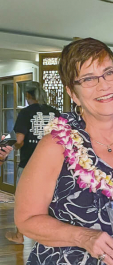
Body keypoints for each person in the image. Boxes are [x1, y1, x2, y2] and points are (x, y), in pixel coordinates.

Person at [15, 38, 113, 265]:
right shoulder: (56, 144)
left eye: (109, 72)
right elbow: (25, 219)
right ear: (72, 92)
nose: (103, 85)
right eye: (88, 79)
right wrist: (84, 237)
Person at [5, 82, 60, 244]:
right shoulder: (55, 113)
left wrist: (5, 144)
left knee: (23, 199)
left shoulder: (26, 112)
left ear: (28, 96)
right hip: (53, 165)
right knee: (51, 201)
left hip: (30, 163)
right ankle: (49, 237)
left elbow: (19, 139)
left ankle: (19, 235)